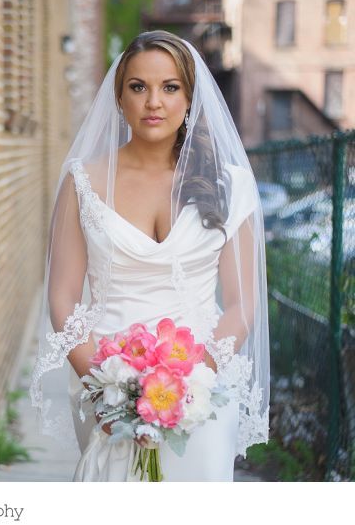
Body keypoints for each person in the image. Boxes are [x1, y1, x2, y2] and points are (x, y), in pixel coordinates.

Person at [29, 31, 269, 481]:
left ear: (190, 97)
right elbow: (62, 299)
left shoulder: (230, 185)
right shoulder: (83, 182)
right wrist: (105, 390)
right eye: (138, 87)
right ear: (119, 97)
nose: (153, 101)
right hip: (104, 376)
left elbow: (242, 304)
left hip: (204, 385)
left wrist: (193, 383)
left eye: (170, 87)